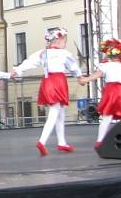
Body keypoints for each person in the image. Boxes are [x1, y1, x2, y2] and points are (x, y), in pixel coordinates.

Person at [11, 27, 84, 156]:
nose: (65, 43)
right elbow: (73, 67)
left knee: (60, 112)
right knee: (54, 112)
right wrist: (80, 77)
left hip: (47, 81)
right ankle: (42, 141)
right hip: (58, 82)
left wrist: (17, 70)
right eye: (64, 40)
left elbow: (30, 63)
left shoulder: (42, 53)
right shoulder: (64, 54)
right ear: (59, 40)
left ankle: (62, 142)